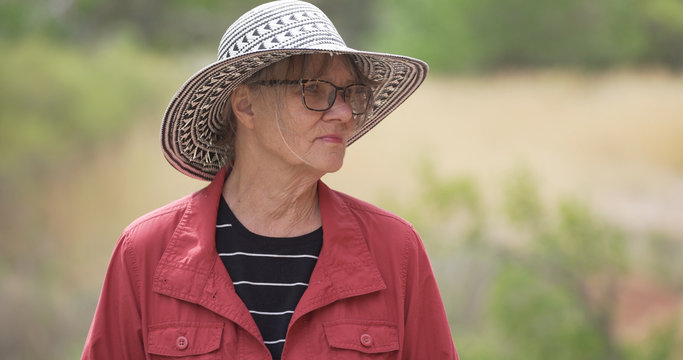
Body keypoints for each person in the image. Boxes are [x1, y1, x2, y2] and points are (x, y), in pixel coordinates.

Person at [81, 1, 458, 359]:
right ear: (245, 105)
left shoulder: (395, 251)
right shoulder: (145, 253)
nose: (343, 113)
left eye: (350, 94)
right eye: (314, 90)